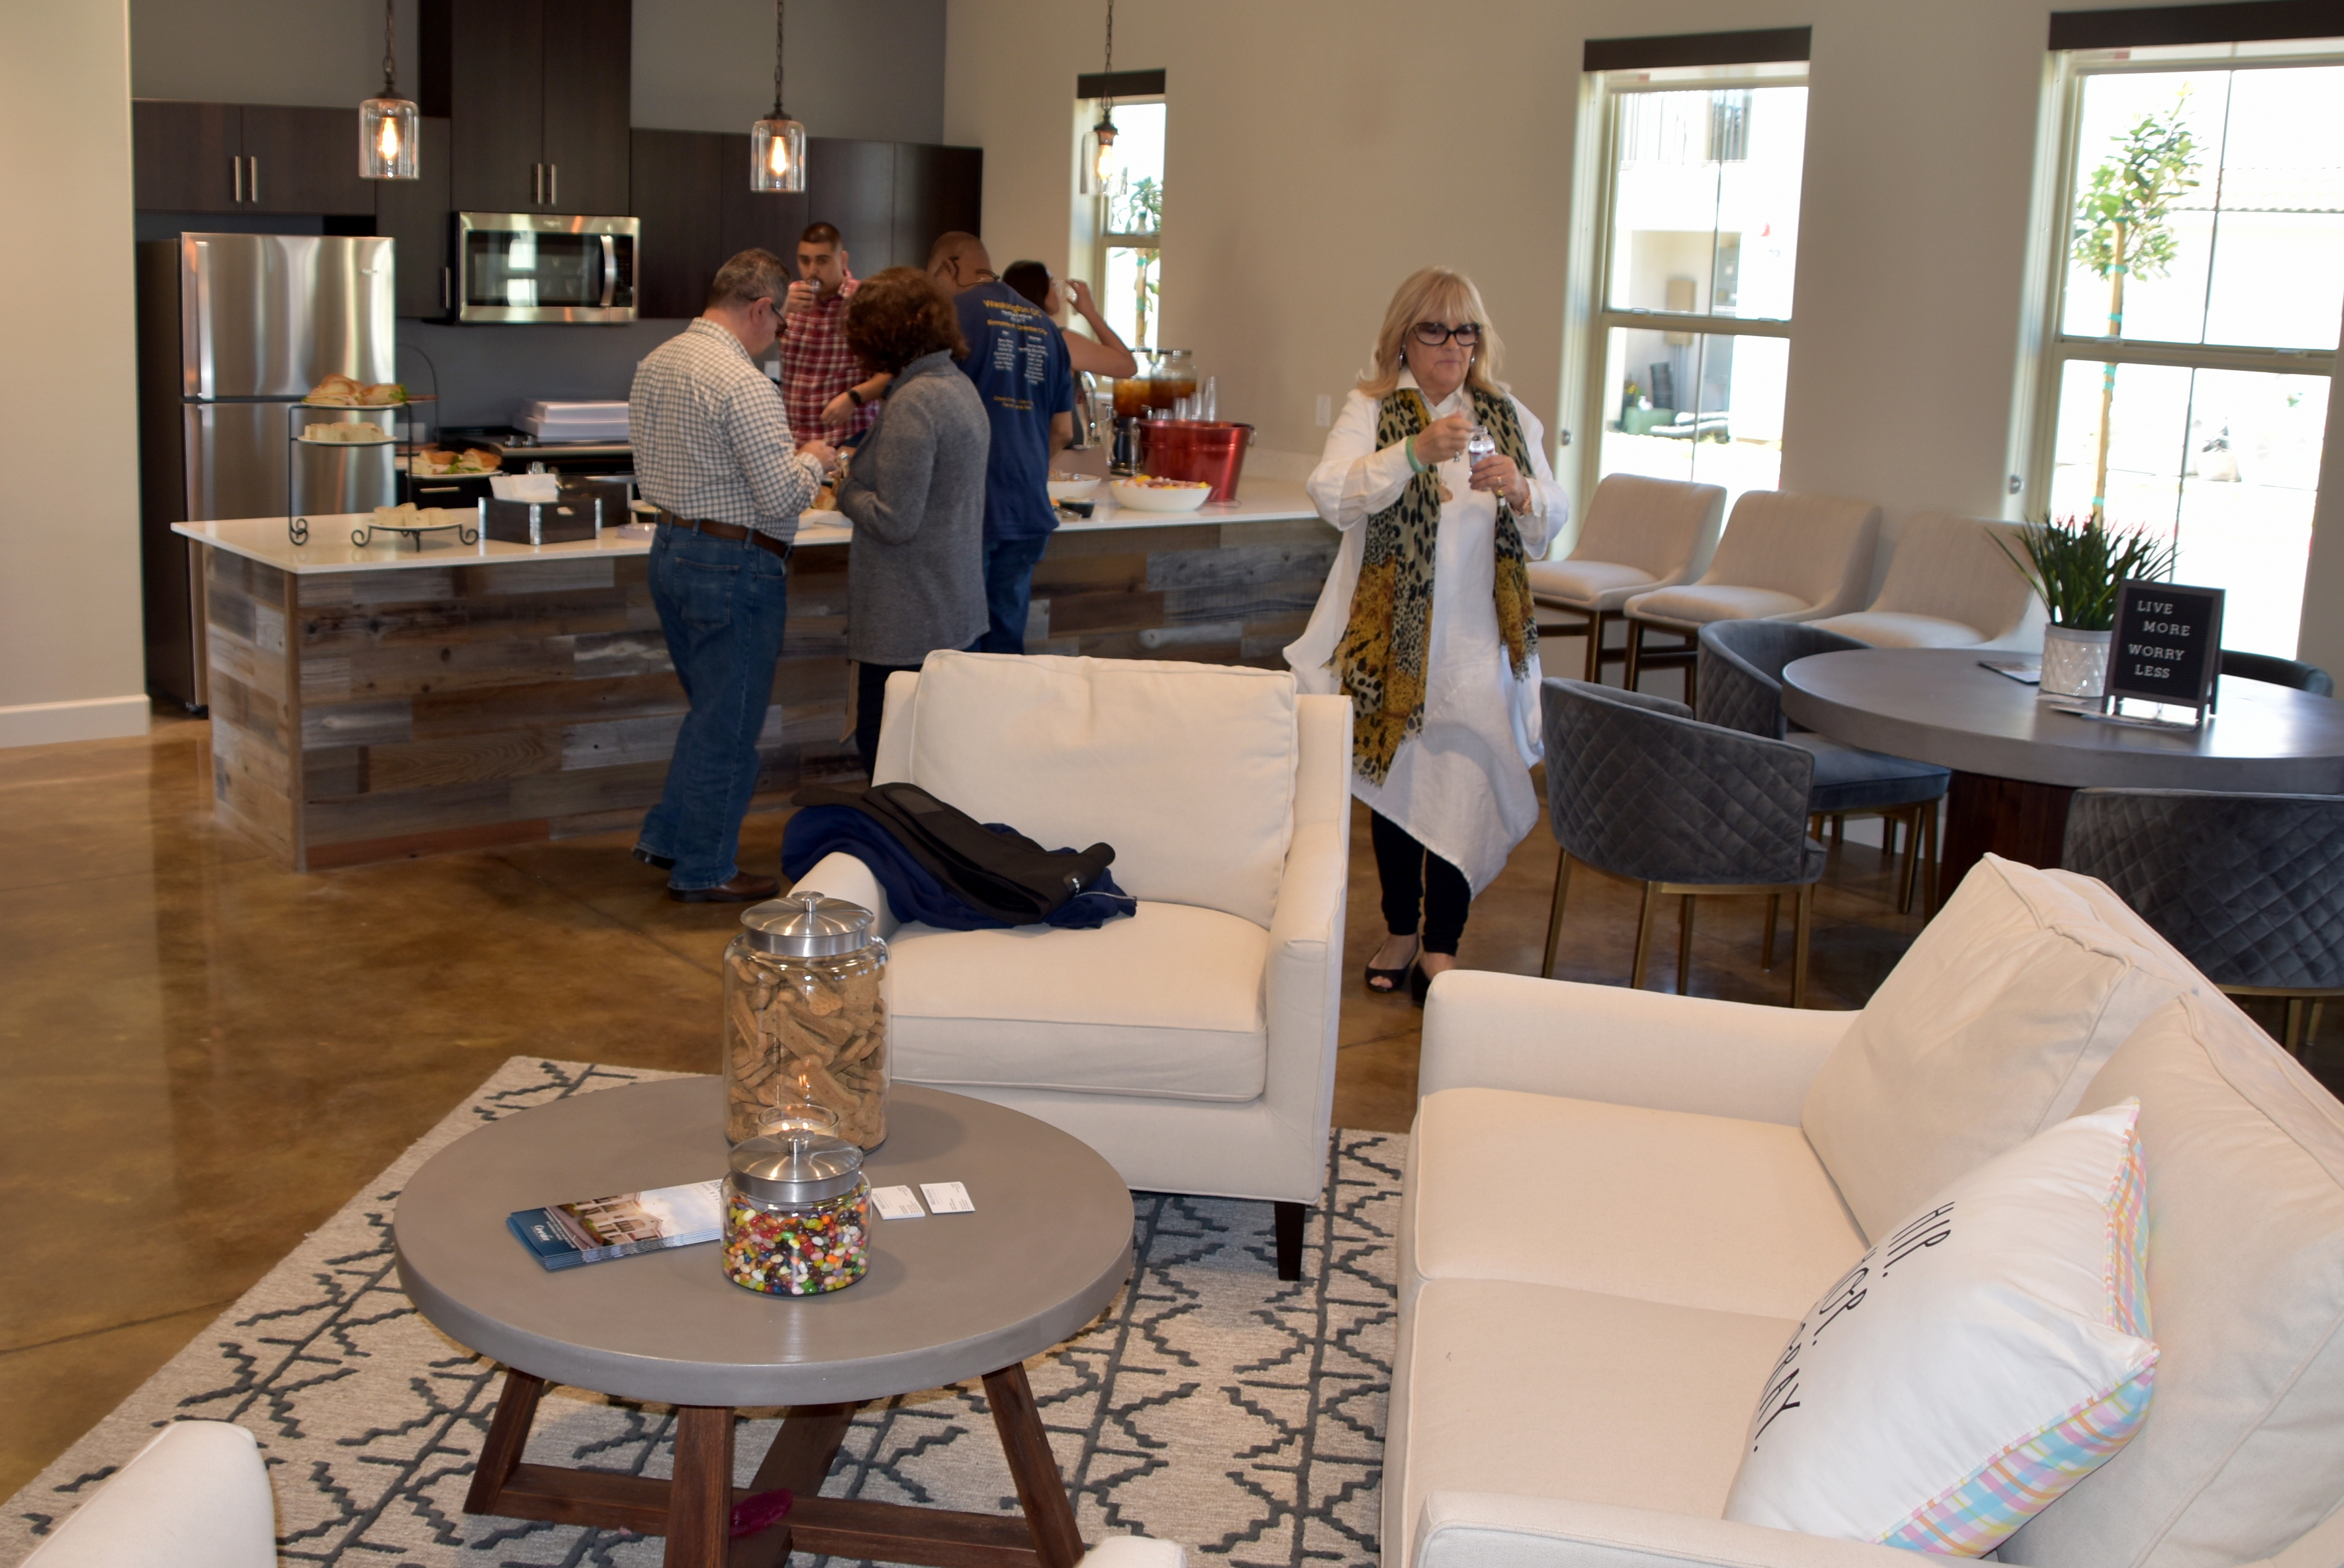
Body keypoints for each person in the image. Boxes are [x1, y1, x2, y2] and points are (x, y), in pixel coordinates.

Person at [1286, 267, 1568, 1001]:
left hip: (1477, 643)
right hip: (1390, 645)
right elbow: (1330, 493)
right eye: (1434, 329)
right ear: (1403, 338)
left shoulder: (1507, 413)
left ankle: (1442, 943)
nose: (1452, 345)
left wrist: (1522, 489)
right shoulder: (1371, 407)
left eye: (1465, 330)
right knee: (1400, 785)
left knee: (1463, 787)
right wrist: (1412, 451)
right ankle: (1399, 930)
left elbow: (1549, 518)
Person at [629, 249, 838, 902]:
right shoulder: (744, 383)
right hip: (733, 565)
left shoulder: (656, 362)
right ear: (760, 308)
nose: (777, 336)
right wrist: (815, 458)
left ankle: (669, 836)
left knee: (711, 714)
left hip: (671, 548)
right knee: (730, 725)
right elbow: (782, 496)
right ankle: (705, 869)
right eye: (779, 323)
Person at [832, 268, 990, 774]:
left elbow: (894, 520)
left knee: (887, 757)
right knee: (935, 763)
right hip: (952, 609)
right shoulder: (957, 385)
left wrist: (844, 488)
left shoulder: (914, 402)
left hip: (907, 621)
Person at [928, 231, 1074, 655]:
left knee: (960, 647)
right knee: (1006, 646)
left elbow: (925, 407)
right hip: (1028, 508)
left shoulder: (952, 316)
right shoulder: (1047, 326)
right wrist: (1027, 466)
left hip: (969, 507)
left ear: (949, 268)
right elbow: (1063, 431)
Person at [777, 222, 878, 447]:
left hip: (848, 437)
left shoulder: (865, 300)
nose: (812, 270)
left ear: (842, 260)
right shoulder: (790, 297)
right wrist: (780, 309)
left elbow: (891, 372)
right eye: (805, 261)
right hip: (796, 440)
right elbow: (749, 344)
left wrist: (854, 397)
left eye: (822, 261)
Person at [1001, 259, 1141, 381]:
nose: (1057, 290)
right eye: (1052, 284)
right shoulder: (1061, 341)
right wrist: (1090, 312)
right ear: (1039, 293)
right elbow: (1128, 367)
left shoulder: (1002, 337)